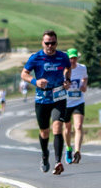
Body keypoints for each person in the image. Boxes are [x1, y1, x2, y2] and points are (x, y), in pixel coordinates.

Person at [21, 30, 71, 174]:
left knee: (57, 128)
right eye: (47, 43)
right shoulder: (36, 58)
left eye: (53, 43)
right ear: (42, 43)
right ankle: (44, 156)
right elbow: (24, 74)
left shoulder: (63, 56)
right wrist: (35, 81)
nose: (50, 46)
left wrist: (67, 80)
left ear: (56, 43)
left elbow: (68, 68)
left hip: (59, 97)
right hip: (42, 99)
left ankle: (58, 162)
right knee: (44, 132)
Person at [63, 49, 88, 164]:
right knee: (67, 128)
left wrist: (84, 85)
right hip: (66, 103)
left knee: (78, 126)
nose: (73, 60)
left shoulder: (82, 68)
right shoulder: (63, 70)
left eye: (75, 58)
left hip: (78, 101)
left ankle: (77, 151)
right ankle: (68, 148)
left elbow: (85, 77)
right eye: (70, 58)